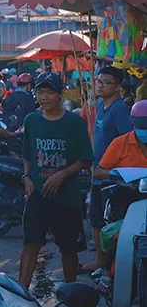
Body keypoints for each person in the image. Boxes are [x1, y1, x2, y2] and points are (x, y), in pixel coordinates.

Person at [19, 73, 93, 289]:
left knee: (68, 247)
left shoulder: (74, 122)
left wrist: (62, 174)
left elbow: (86, 160)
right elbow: (27, 156)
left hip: (66, 197)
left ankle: (71, 292)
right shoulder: (31, 120)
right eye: (40, 92)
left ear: (60, 94)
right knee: (31, 243)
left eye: (49, 92)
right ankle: (20, 292)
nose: (44, 97)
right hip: (37, 195)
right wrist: (27, 177)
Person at [84, 67, 132, 272]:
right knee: (96, 219)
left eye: (106, 82)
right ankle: (100, 260)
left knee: (109, 223)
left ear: (118, 87)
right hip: (97, 173)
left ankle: (111, 266)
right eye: (99, 81)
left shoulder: (119, 109)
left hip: (110, 177)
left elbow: (128, 141)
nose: (100, 85)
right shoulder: (102, 106)